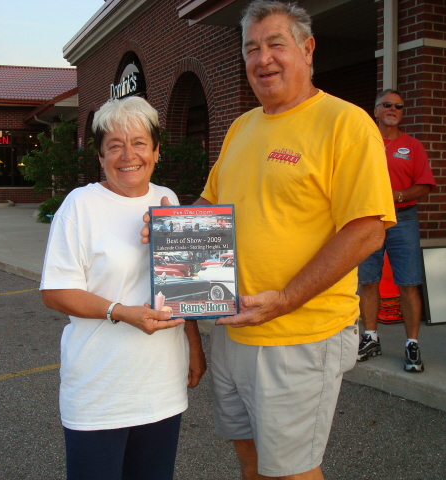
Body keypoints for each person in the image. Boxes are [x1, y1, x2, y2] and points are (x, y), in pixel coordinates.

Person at [141, 1, 395, 478]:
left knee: (293, 471)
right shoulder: (243, 127)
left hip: (299, 334)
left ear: (307, 48)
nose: (263, 59)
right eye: (251, 48)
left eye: (276, 44)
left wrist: (285, 299)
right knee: (249, 457)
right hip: (233, 327)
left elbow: (367, 230)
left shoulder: (345, 123)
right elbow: (208, 205)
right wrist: (167, 228)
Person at [40, 96, 206, 480]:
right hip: (101, 387)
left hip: (161, 383)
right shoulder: (79, 206)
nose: (128, 155)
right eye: (114, 145)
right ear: (100, 156)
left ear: (156, 150)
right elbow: (55, 292)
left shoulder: (169, 201)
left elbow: (184, 286)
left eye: (139, 143)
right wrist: (121, 312)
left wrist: (194, 347)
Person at [357, 89, 436, 373]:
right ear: (375, 111)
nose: (393, 109)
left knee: (408, 282)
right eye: (387, 105)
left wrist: (397, 196)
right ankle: (370, 338)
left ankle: (411, 344)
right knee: (367, 279)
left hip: (403, 218)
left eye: (399, 107)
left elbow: (425, 185)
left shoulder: (412, 146)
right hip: (369, 219)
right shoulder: (362, 143)